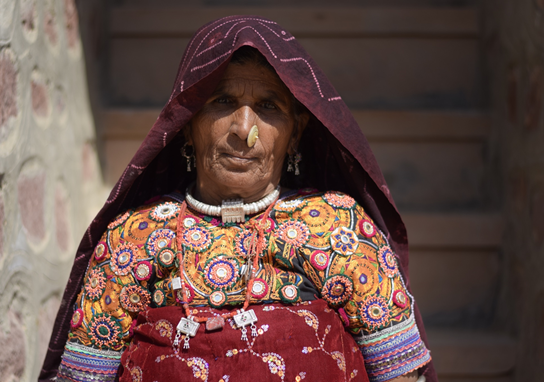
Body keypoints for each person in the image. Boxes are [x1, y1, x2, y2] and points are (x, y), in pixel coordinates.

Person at [40, 15, 437, 382]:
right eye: (223, 102)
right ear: (187, 126)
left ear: (295, 133)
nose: (244, 129)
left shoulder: (340, 229)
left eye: (268, 107)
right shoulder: (131, 241)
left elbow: (400, 374)